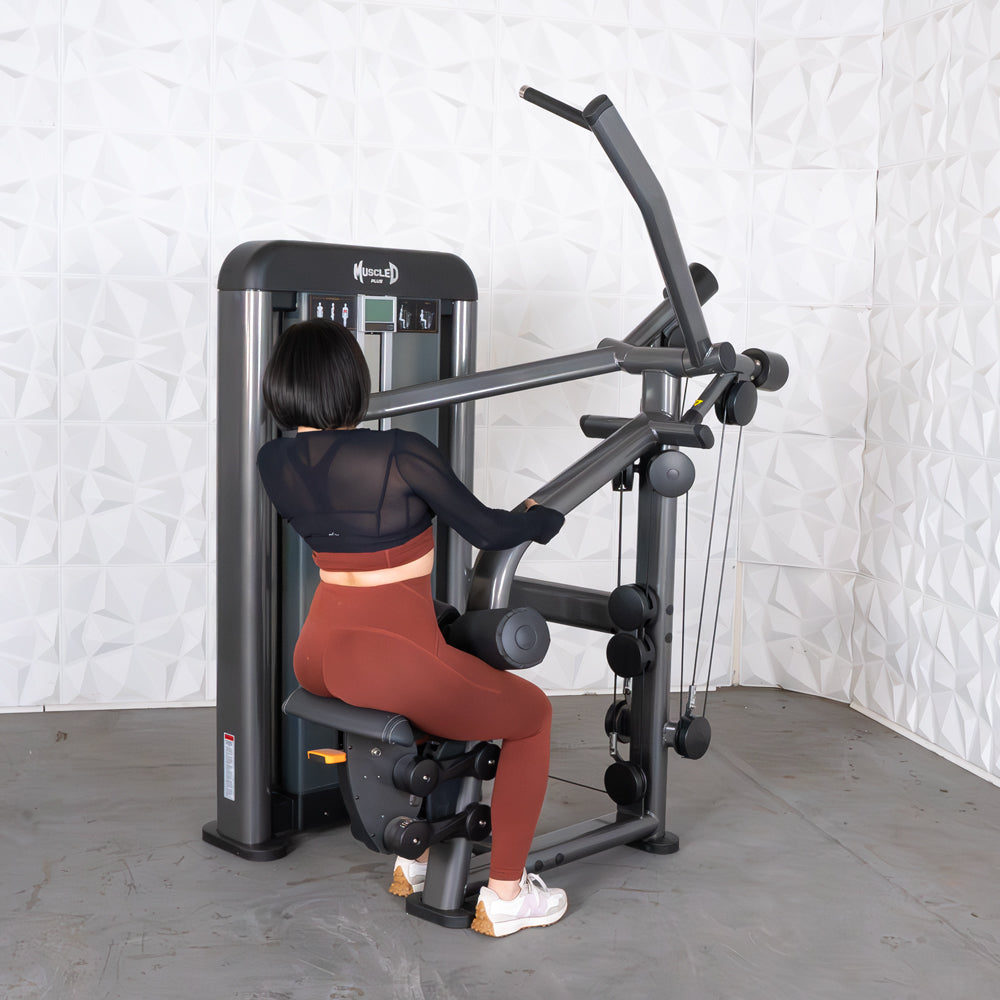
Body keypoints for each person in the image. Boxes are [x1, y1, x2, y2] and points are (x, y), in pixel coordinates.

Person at [256, 317, 569, 937]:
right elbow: (491, 532)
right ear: (352, 381)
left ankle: (416, 859)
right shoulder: (399, 453)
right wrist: (539, 520)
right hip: (388, 655)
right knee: (531, 716)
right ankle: (508, 896)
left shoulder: (274, 461)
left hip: (318, 651)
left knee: (443, 692)